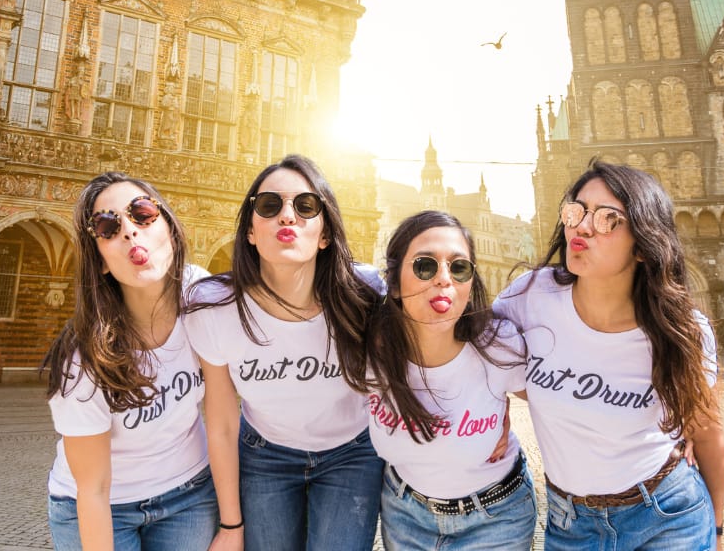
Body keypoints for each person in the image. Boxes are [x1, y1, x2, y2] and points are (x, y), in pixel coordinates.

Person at [495, 161, 724, 551]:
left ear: (643, 245)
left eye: (607, 219)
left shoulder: (682, 329)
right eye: (576, 211)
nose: (582, 227)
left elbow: (707, 434)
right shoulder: (529, 296)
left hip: (668, 514)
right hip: (571, 524)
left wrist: (717, 530)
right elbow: (473, 354)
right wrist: (495, 408)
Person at [184, 154, 382, 551]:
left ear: (325, 233)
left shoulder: (366, 293)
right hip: (265, 456)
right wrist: (230, 524)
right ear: (251, 232)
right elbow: (221, 424)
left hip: (352, 454)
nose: (287, 216)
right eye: (269, 206)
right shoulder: (214, 308)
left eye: (305, 206)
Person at [43, 172, 218, 551]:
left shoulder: (202, 298)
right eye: (107, 226)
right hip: (100, 505)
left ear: (169, 227)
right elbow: (93, 488)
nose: (129, 231)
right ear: (101, 262)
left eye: (142, 213)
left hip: (190, 493)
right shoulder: (83, 360)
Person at [366, 211, 536, 551]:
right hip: (405, 515)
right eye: (425, 266)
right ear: (395, 283)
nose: (444, 278)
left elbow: (566, 399)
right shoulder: (370, 346)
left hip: (496, 516)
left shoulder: (497, 344)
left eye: (459, 268)